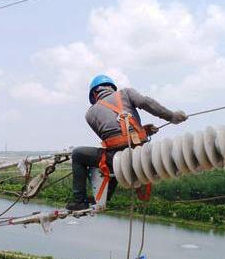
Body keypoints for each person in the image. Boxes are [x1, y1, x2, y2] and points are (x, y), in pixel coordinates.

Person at [66, 75, 187, 210]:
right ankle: (104, 196)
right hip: (141, 153)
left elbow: (113, 138)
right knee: (116, 159)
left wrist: (141, 131)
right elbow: (146, 103)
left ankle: (79, 201)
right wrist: (171, 116)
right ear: (111, 88)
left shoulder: (90, 114)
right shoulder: (126, 93)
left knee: (79, 155)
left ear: (94, 94)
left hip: (117, 158)